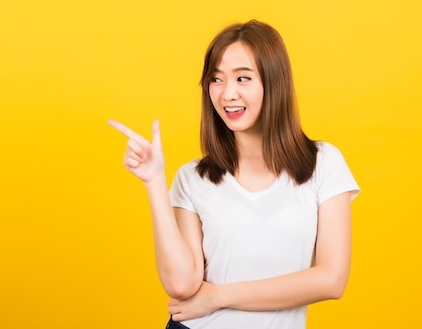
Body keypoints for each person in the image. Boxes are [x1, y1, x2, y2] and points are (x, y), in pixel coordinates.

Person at [108, 20, 359, 329]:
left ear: (274, 82)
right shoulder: (193, 178)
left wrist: (216, 296)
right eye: (216, 79)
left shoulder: (324, 164)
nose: (227, 93)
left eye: (243, 78)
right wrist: (154, 181)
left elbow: (331, 280)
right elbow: (182, 286)